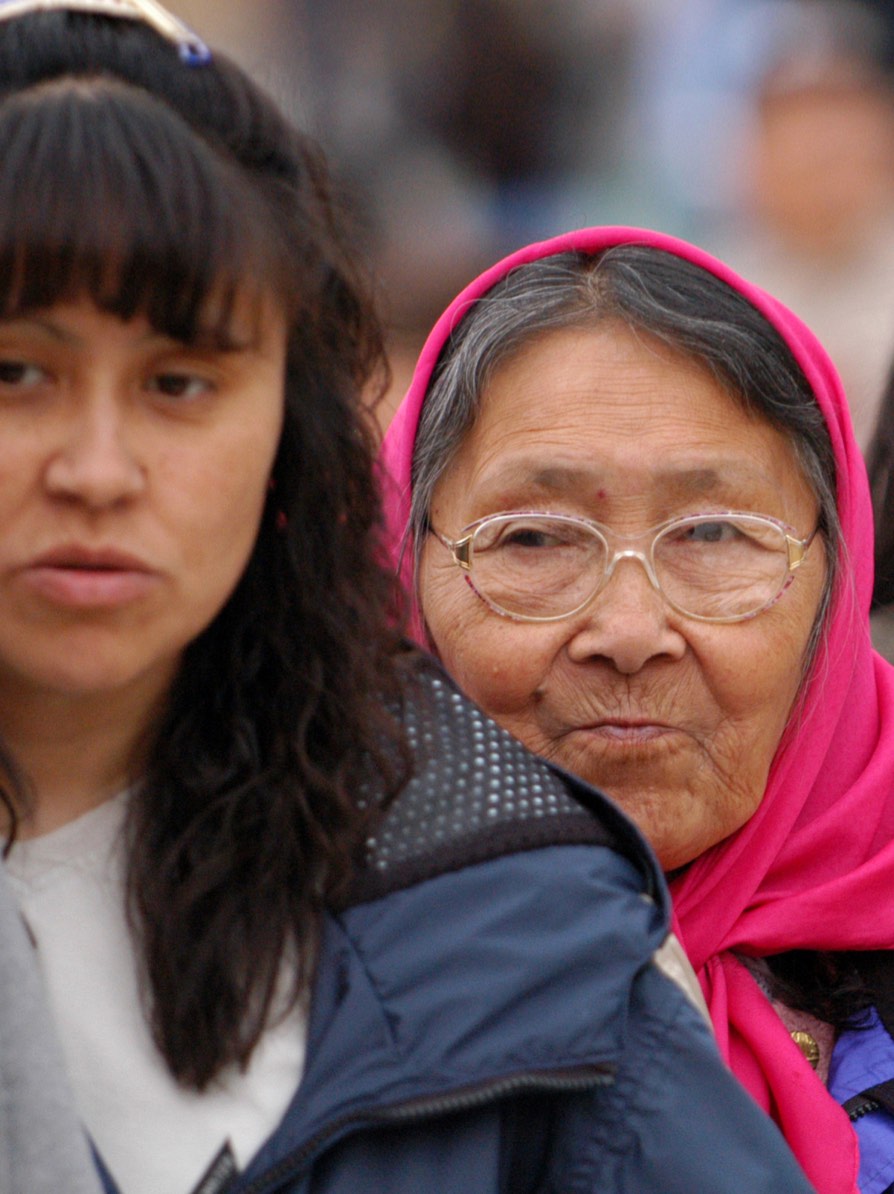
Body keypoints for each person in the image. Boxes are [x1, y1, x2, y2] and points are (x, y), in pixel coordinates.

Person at [0, 6, 816, 1194]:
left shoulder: (504, 912)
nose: (98, 467)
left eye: (181, 381)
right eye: (18, 371)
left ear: (294, 429)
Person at [380, 224, 894, 1194]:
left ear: (837, 575)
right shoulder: (294, 983)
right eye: (532, 540)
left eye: (712, 533)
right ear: (407, 572)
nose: (628, 628)